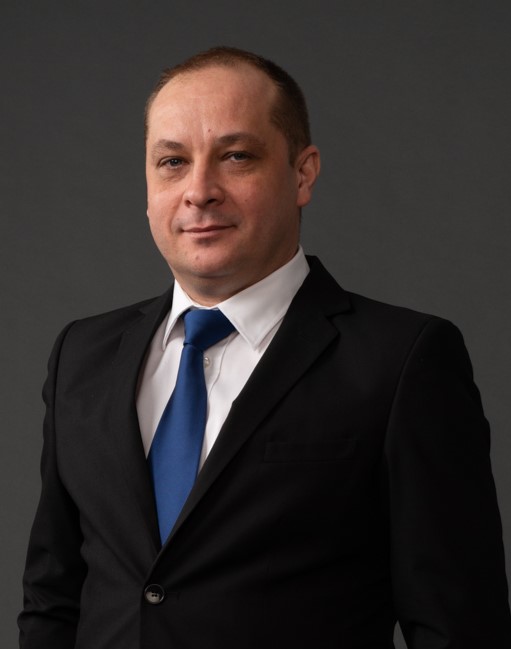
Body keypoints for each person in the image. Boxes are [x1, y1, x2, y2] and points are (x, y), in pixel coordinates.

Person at [18, 46, 511, 649]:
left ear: (302, 174)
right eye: (172, 162)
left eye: (236, 156)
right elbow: (53, 600)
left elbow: (460, 626)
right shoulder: (81, 355)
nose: (199, 191)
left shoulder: (403, 361)